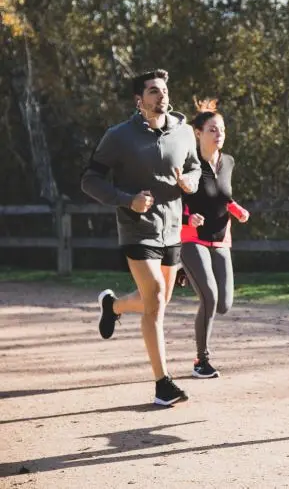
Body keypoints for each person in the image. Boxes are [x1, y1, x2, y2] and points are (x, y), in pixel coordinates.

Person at [81, 69, 201, 406]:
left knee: (158, 301)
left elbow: (195, 167)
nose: (161, 95)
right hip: (137, 227)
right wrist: (126, 199)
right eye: (153, 91)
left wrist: (190, 182)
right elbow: (89, 180)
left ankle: (113, 305)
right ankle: (163, 384)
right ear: (139, 100)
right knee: (156, 296)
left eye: (163, 90)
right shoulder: (119, 136)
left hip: (172, 228)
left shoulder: (184, 132)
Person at [180, 98, 250, 379]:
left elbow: (222, 196)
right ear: (198, 133)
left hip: (221, 239)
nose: (219, 133)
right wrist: (187, 218)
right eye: (212, 129)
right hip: (191, 237)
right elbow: (173, 200)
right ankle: (201, 360)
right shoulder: (188, 163)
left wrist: (237, 209)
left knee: (223, 304)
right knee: (209, 297)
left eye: (221, 129)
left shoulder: (228, 161)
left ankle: (187, 273)